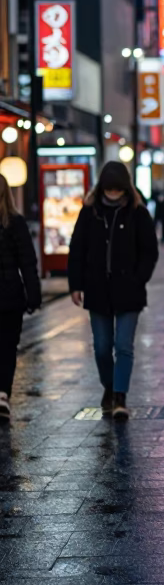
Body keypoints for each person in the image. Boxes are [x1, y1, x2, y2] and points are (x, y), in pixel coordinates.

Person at [68, 161, 159, 420]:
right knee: (101, 346)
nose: (113, 196)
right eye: (109, 191)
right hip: (97, 289)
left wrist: (138, 278)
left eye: (117, 191)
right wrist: (76, 285)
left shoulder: (137, 212)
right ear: (102, 189)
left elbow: (149, 250)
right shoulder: (90, 212)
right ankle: (109, 386)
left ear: (125, 189)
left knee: (123, 346)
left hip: (128, 290)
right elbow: (77, 249)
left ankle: (120, 396)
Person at [0, 175, 41, 420]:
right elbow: (28, 262)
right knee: (7, 347)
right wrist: (33, 295)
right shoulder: (15, 223)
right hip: (10, 296)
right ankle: (3, 393)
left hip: (10, 297)